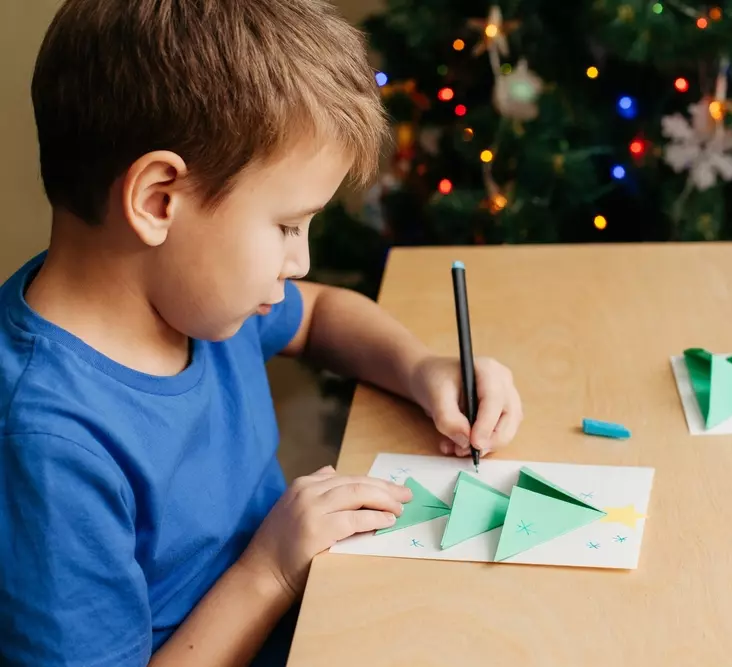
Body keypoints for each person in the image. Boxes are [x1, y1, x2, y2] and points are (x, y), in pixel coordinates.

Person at [0, 0, 524, 665]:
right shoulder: (47, 444)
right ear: (159, 199)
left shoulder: (190, 297)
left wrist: (419, 366)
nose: (300, 261)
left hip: (313, 608)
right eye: (286, 226)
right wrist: (270, 570)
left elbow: (322, 313)